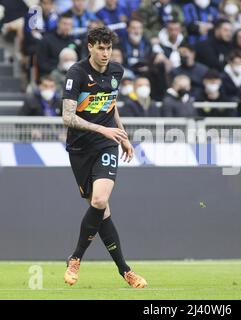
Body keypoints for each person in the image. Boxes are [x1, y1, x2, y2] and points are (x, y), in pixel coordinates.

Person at [61, 26, 147, 288]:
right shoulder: (76, 74)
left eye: (109, 48)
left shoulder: (116, 71)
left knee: (100, 199)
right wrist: (102, 128)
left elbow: (111, 103)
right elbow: (67, 117)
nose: (106, 53)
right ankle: (126, 270)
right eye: (101, 48)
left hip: (106, 145)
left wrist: (122, 135)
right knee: (102, 211)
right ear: (90, 47)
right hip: (79, 149)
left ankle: (75, 259)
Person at [36, 13, 77, 77]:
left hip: (70, 74)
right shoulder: (47, 40)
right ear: (58, 23)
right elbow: (41, 63)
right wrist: (58, 70)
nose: (67, 27)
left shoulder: (73, 41)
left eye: (70, 24)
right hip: (51, 75)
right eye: (64, 24)